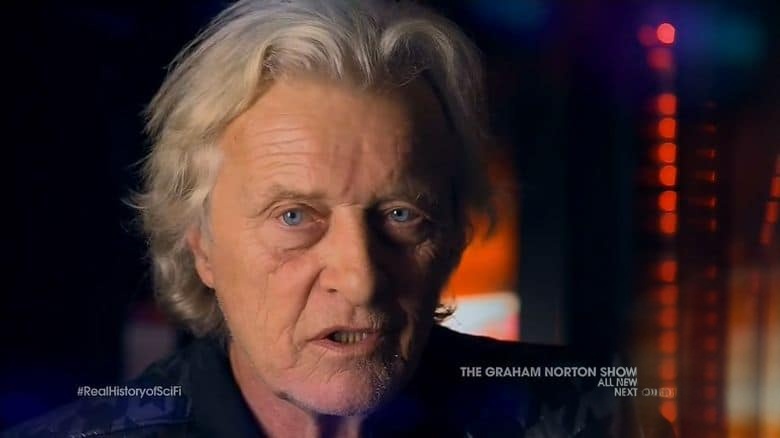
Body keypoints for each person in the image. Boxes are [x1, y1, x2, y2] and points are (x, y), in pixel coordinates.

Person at [6, 1, 673, 436]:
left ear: (452, 236)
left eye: (402, 214)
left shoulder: (595, 415)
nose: (359, 278)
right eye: (295, 215)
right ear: (201, 245)